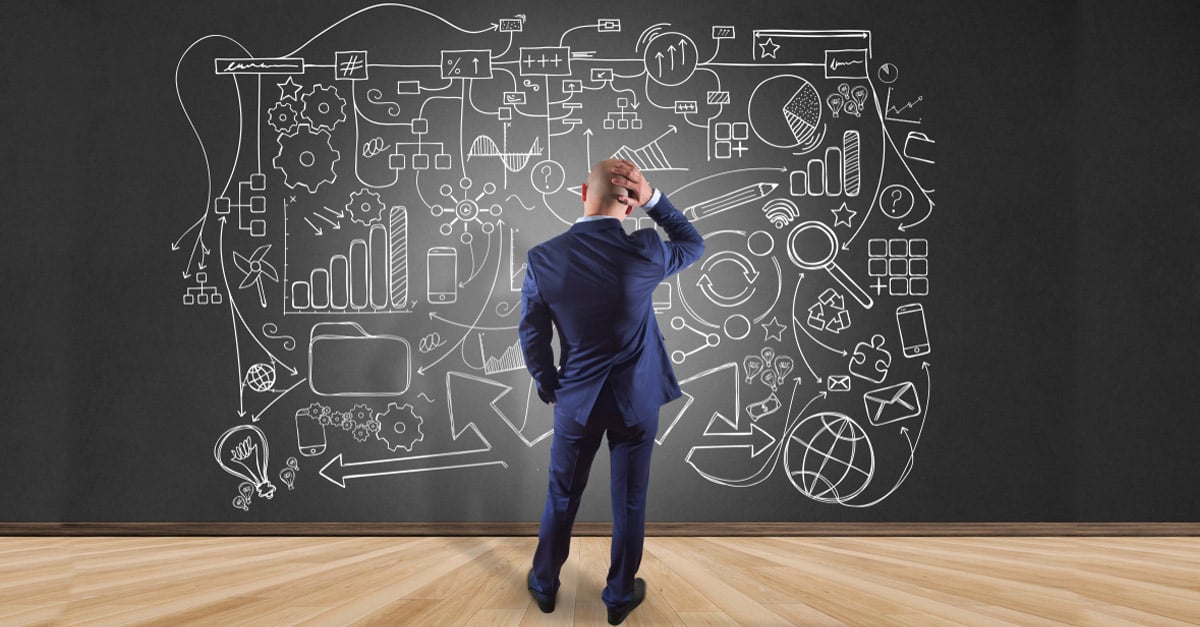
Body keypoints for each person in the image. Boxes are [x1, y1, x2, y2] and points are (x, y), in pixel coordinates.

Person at [519, 158, 704, 624]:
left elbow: (532, 334)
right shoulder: (645, 250)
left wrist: (550, 387)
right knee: (630, 500)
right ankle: (619, 597)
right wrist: (655, 200)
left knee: (561, 495)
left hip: (575, 401)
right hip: (636, 403)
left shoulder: (544, 258)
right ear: (629, 201)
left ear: (584, 191)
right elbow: (692, 242)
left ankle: (544, 585)